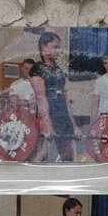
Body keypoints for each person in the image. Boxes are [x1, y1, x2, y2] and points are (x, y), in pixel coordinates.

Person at [34, 31, 77, 163]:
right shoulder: (38, 69)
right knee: (43, 155)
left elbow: (65, 98)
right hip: (49, 114)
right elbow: (41, 99)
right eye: (54, 47)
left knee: (69, 156)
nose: (58, 50)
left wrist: (74, 126)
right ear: (44, 47)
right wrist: (49, 125)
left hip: (62, 113)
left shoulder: (57, 69)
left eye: (59, 47)